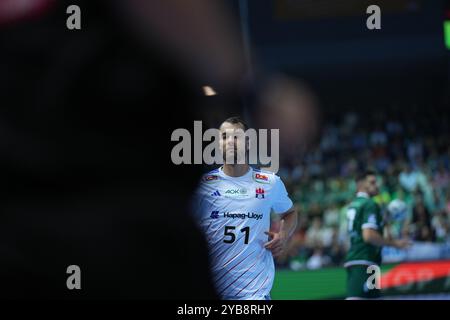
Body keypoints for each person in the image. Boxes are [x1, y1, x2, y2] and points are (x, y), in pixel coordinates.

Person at [192, 116, 298, 300]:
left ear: (248, 143)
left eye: (237, 137)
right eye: (225, 137)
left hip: (255, 295)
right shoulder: (203, 186)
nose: (231, 142)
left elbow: (290, 213)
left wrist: (284, 235)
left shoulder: (270, 183)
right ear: (218, 144)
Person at [344, 170, 410, 300]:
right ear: (361, 184)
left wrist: (385, 220)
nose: (377, 185)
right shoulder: (370, 204)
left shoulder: (354, 204)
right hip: (364, 261)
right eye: (372, 182)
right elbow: (368, 236)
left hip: (364, 260)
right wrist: (395, 244)